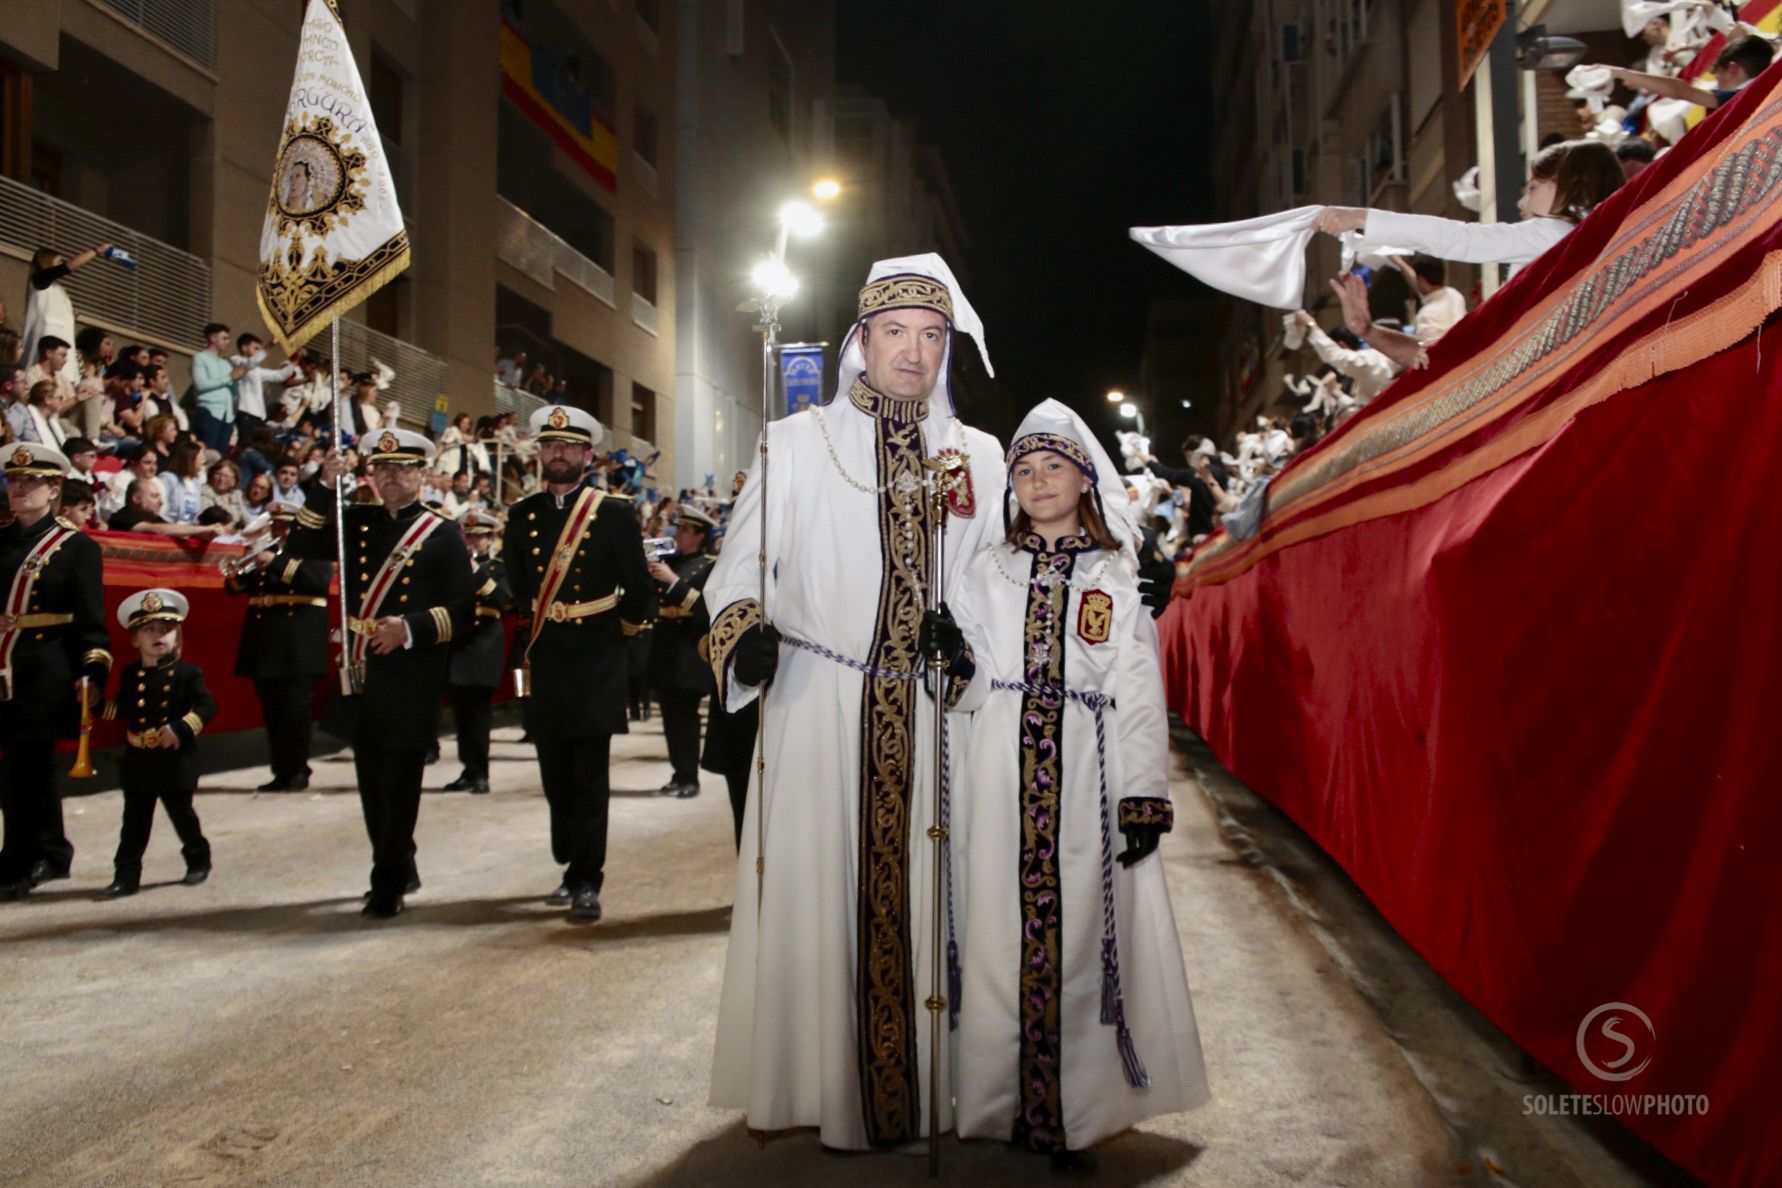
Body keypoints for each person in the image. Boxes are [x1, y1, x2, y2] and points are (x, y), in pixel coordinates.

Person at [702, 254, 1007, 1149]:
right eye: (895, 334)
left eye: (931, 337)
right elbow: (736, 573)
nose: (913, 352)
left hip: (935, 723)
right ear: (860, 344)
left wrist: (970, 653)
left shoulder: (977, 457)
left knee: (937, 907)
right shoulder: (793, 444)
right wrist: (743, 631)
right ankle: (818, 1085)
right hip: (817, 714)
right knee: (819, 901)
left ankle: (935, 1089)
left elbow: (994, 583)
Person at [942, 400, 1208, 1162]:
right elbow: (965, 688)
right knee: (997, 936)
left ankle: (1076, 1111)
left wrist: (1143, 794)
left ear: (1085, 479)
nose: (1036, 481)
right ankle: (1002, 1105)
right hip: (1002, 776)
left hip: (1087, 781)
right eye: (1023, 470)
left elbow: (1137, 685)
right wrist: (952, 664)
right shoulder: (987, 572)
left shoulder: (1113, 576)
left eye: (1053, 467)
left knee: (1087, 938)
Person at [294, 429, 474, 918]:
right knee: (372, 780)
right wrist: (321, 483)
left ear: (421, 475)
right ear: (370, 475)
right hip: (361, 667)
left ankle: (387, 882)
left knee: (402, 781)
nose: (392, 475)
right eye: (382, 467)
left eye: (403, 467)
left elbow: (462, 611)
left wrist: (411, 627)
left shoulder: (442, 534)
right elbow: (301, 542)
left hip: (412, 672)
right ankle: (396, 860)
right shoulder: (354, 522)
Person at [502, 405, 655, 921]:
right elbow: (519, 586)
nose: (558, 453)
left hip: (596, 658)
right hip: (547, 656)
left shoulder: (612, 512)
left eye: (568, 447)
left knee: (590, 776)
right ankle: (568, 855)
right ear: (540, 454)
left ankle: (587, 878)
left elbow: (637, 588)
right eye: (550, 446)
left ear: (588, 456)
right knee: (554, 774)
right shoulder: (522, 516)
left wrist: (626, 649)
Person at [0, 443, 112, 899]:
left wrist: (92, 670)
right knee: (16, 768)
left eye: (31, 482)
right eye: (13, 481)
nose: (19, 488)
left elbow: (92, 620)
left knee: (30, 766)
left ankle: (29, 858)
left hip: (46, 667)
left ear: (53, 489)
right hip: (4, 663)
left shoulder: (76, 547)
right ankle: (39, 851)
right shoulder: (1, 540)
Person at [1312, 138, 1624, 274]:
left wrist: (1362, 217)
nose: (1522, 200)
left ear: (1567, 184)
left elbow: (1461, 238)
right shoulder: (1583, 237)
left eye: (1532, 187)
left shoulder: (1554, 234)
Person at [97, 589, 216, 898]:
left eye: (166, 629)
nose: (158, 635)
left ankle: (198, 859)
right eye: (148, 629)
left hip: (173, 758)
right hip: (139, 758)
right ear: (135, 640)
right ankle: (126, 875)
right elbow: (122, 710)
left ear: (177, 637)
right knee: (134, 822)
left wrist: (181, 727)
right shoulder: (130, 674)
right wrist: (96, 705)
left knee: (182, 815)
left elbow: (207, 707)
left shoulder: (188, 674)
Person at [225, 502, 331, 792]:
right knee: (273, 711)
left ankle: (298, 769)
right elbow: (233, 588)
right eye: (277, 526)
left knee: (295, 712)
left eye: (286, 526)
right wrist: (245, 564)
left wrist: (275, 562)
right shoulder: (265, 553)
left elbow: (319, 579)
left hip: (298, 644)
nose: (280, 531)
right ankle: (281, 771)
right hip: (266, 644)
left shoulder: (315, 548)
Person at [442, 508, 513, 794]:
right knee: (461, 713)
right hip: (458, 643)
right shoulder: (452, 568)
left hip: (484, 644)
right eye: (468, 535)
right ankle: (467, 769)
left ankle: (481, 771)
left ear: (490, 538)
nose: (473, 541)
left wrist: (476, 572)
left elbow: (504, 599)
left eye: (479, 536)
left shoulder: (498, 567)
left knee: (480, 715)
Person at [647, 508, 715, 799]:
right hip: (665, 644)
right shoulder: (669, 561)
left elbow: (704, 607)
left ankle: (690, 776)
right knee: (669, 716)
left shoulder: (709, 566)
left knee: (686, 717)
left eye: (685, 531)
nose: (678, 534)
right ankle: (678, 772)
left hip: (689, 647)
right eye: (679, 529)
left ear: (700, 536)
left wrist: (672, 581)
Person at [1600, 33, 1774, 113]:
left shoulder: (1739, 97)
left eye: (1718, 74)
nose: (1717, 82)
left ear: (1734, 68)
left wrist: (1620, 73)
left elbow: (1680, 90)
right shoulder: (1770, 89)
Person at [21, 244, 109, 396]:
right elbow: (67, 268)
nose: (62, 264)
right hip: (47, 348)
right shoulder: (40, 279)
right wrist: (96, 251)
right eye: (59, 261)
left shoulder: (57, 288)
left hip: (62, 349)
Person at [190, 322, 246, 452]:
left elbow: (232, 387)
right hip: (209, 412)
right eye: (224, 338)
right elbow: (201, 384)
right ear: (213, 338)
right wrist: (229, 377)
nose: (228, 341)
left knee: (219, 456)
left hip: (227, 415)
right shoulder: (200, 358)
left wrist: (237, 379)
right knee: (206, 452)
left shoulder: (226, 364)